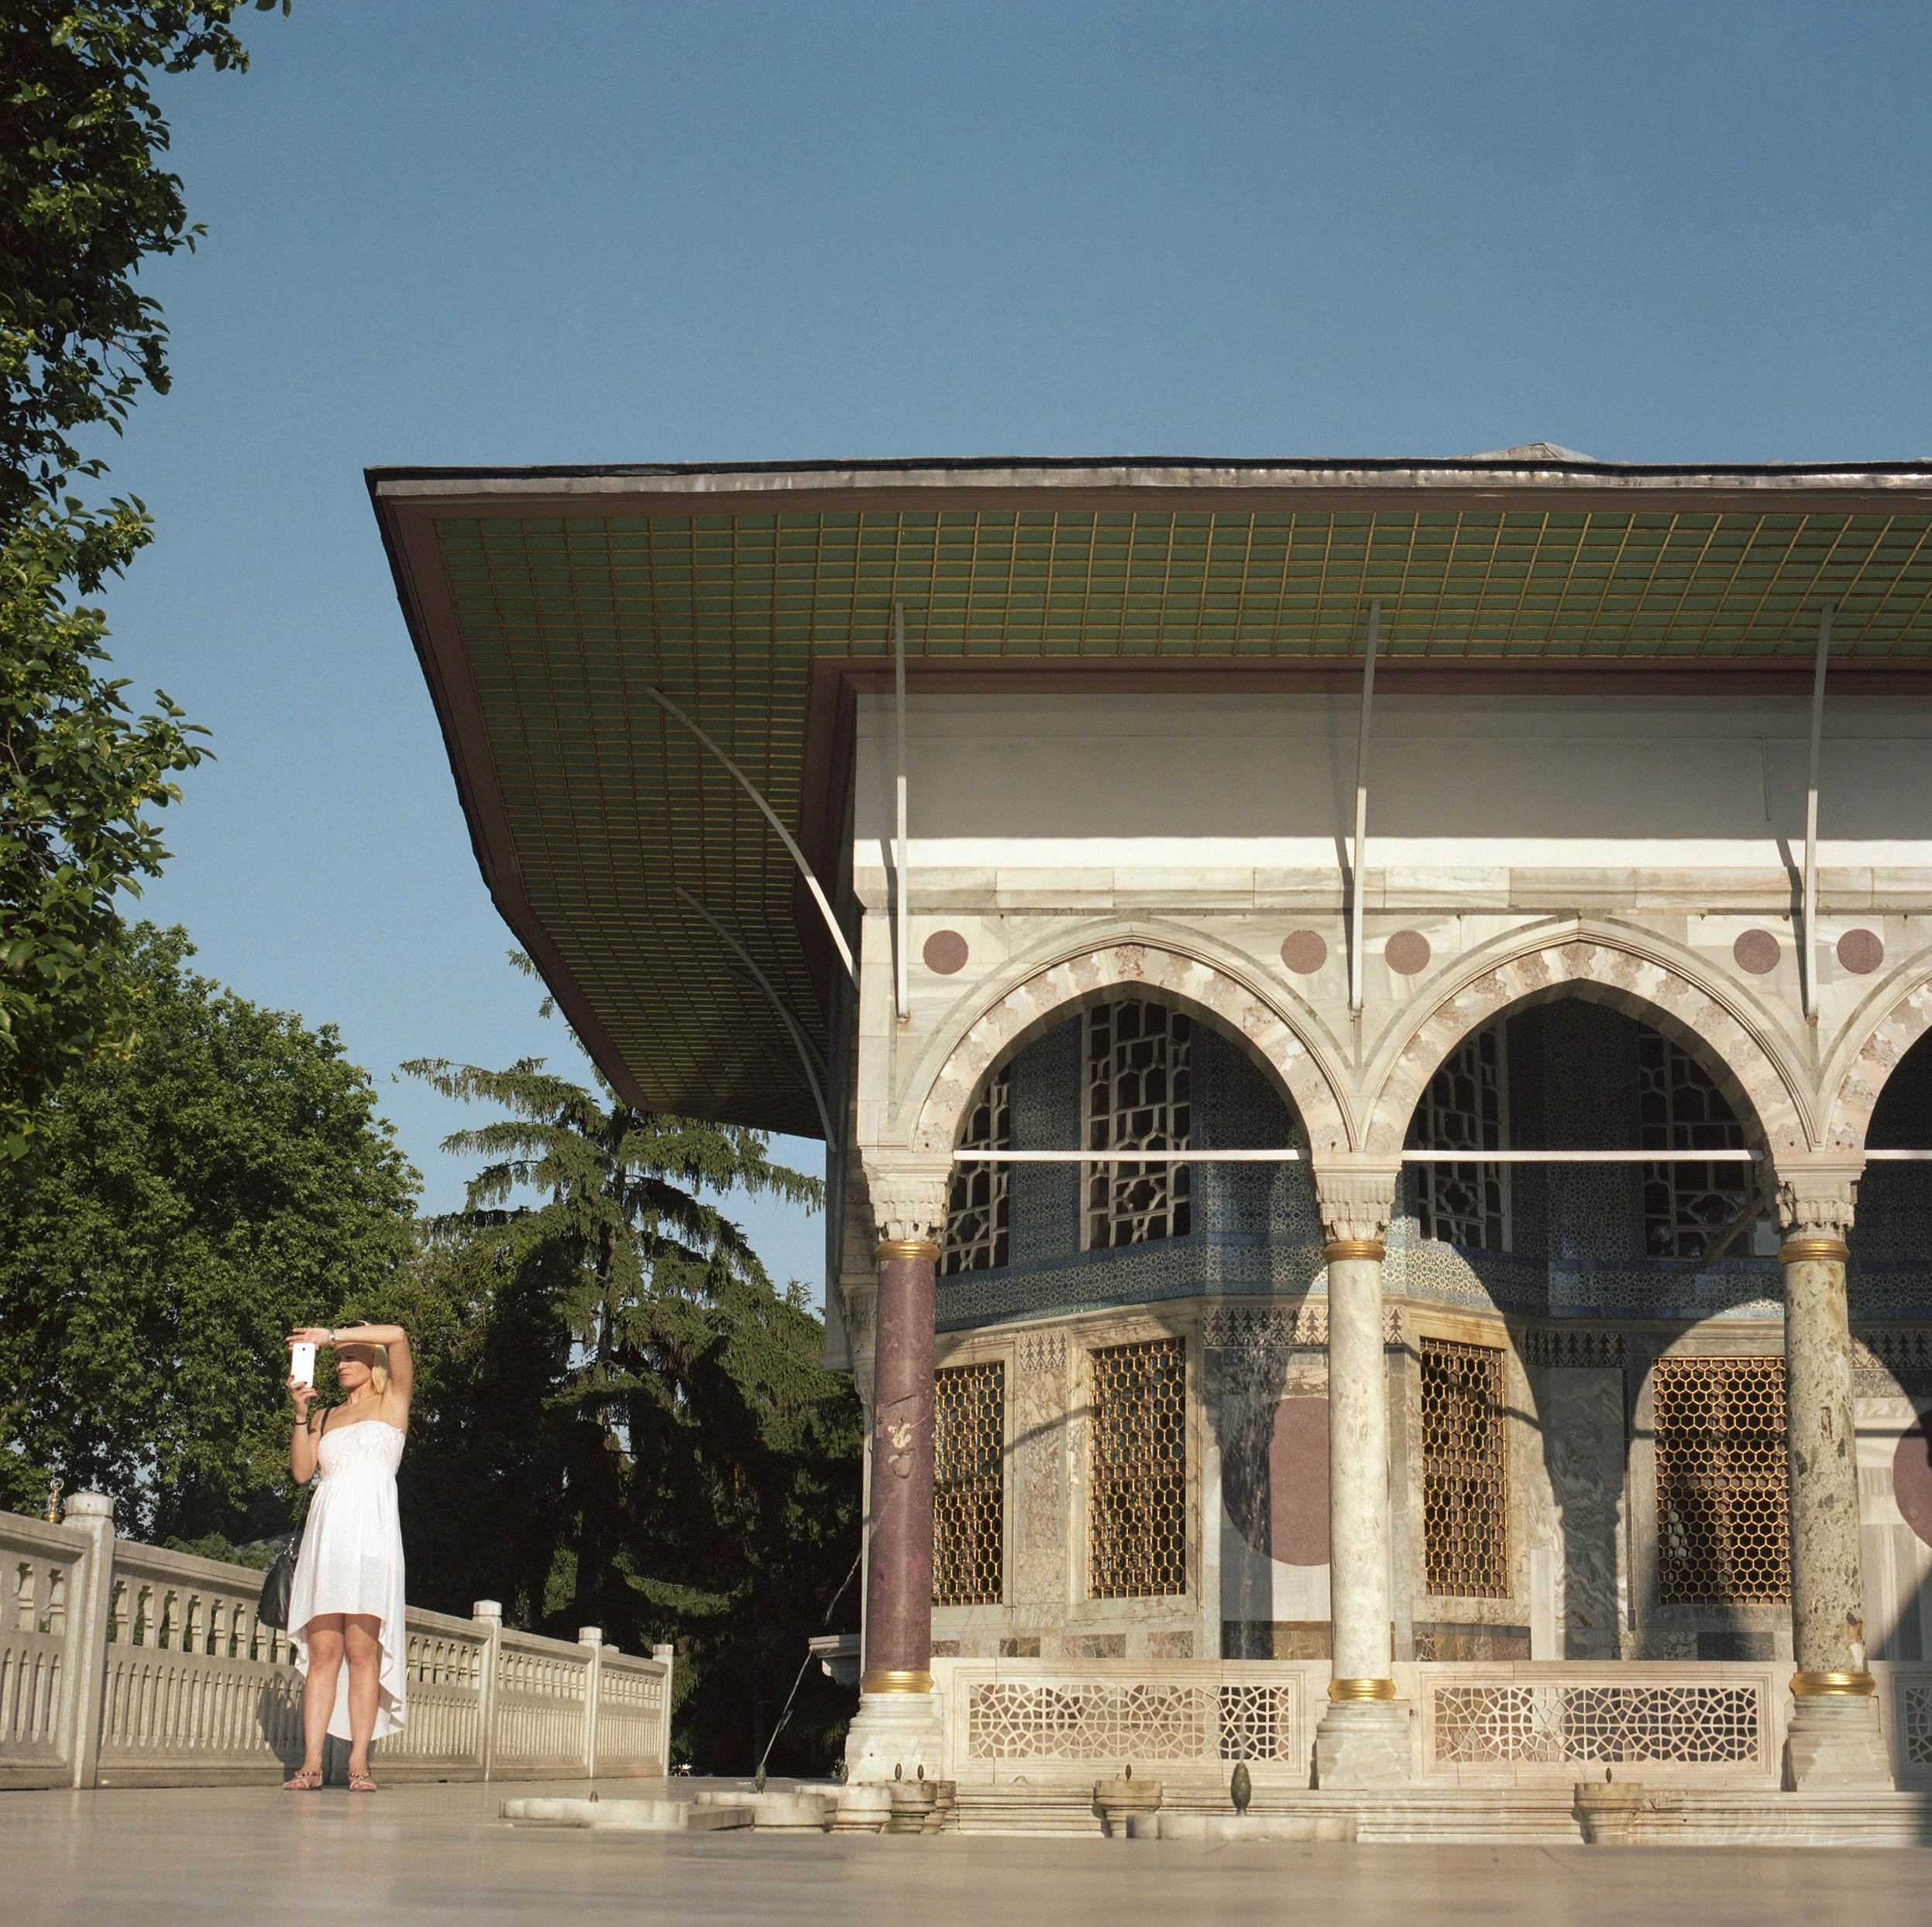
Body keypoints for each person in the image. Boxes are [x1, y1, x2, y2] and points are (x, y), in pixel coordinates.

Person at [281, 1322, 412, 1791]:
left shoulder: (394, 1400)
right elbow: (302, 1473)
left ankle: (359, 1761)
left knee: (362, 1652)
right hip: (328, 1534)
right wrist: (301, 1414)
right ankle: (311, 1763)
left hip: (371, 1536)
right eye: (337, 1358)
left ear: (372, 1359)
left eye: (350, 1355)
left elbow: (398, 1333)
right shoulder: (327, 1414)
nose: (340, 1363)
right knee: (323, 1653)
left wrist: (329, 1334)